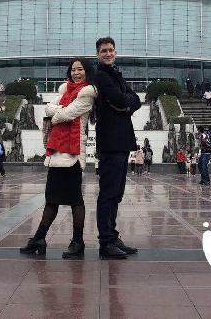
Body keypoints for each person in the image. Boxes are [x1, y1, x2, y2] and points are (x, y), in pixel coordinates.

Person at [20, 58, 97, 259]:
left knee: (75, 200)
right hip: (56, 153)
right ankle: (39, 238)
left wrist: (57, 114)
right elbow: (49, 109)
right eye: (73, 69)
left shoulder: (87, 93)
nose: (76, 73)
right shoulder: (65, 90)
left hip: (72, 154)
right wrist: (59, 112)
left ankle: (78, 242)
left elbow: (67, 114)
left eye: (80, 69)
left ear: (87, 71)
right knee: (51, 199)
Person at [94, 36, 141, 260]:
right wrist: (125, 103)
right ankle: (106, 242)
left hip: (121, 141)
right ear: (98, 54)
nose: (108, 53)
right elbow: (121, 99)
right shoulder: (101, 76)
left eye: (111, 50)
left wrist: (125, 104)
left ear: (115, 52)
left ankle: (112, 236)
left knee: (117, 193)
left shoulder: (116, 74)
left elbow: (135, 100)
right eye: (104, 50)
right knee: (108, 193)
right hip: (110, 141)